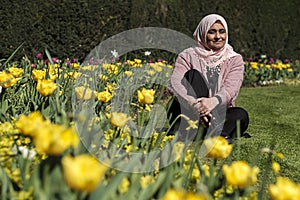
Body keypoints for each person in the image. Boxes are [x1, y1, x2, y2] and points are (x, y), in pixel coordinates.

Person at [168, 14, 250, 144]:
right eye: (212, 32)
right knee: (194, 75)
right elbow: (175, 84)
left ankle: (196, 132)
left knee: (240, 115)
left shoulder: (234, 59)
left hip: (218, 111)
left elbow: (231, 89)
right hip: (186, 111)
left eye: (222, 32)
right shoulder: (187, 55)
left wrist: (212, 102)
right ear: (203, 33)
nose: (218, 36)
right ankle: (216, 132)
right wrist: (194, 104)